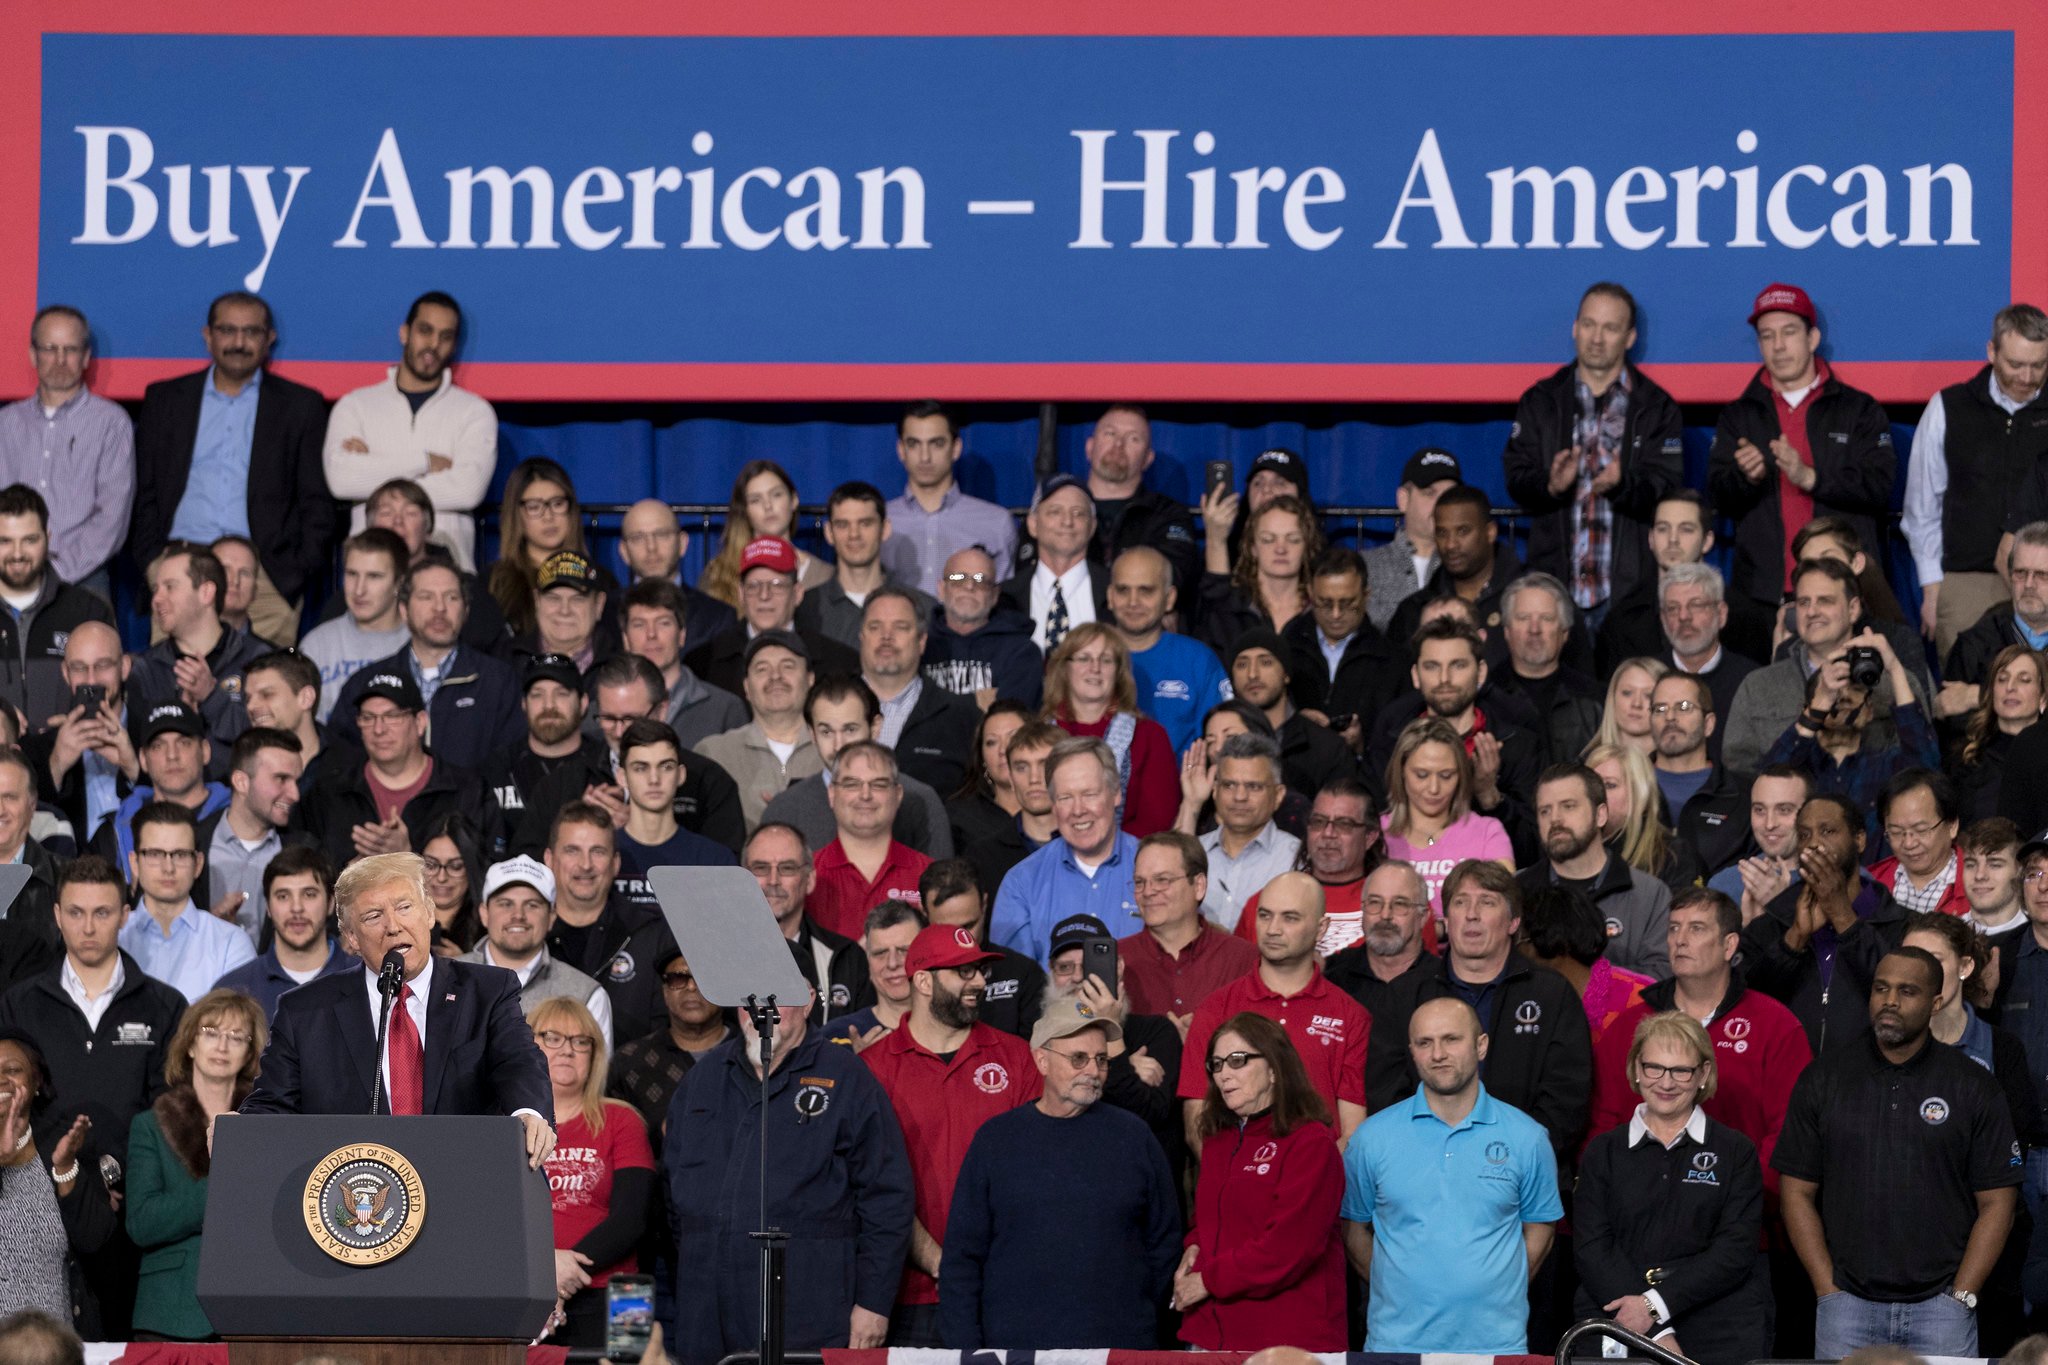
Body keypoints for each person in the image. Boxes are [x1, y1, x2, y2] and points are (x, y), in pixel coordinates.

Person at [1776, 947, 2020, 1358]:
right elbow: (1795, 1192)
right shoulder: (1824, 1078)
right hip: (1846, 1308)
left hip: (1942, 1310)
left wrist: (1962, 1296)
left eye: (1907, 991)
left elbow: (1999, 1203)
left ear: (1935, 1003)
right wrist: (1827, 1289)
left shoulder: (1973, 1084)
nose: (1890, 1001)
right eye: (1881, 988)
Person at [238, 853, 555, 1165]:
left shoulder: (487, 991)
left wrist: (528, 1112)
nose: (393, 926)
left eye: (404, 907)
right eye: (373, 916)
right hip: (356, 1189)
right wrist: (238, 1130)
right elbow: (272, 1106)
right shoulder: (305, 1011)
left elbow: (519, 1062)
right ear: (352, 937)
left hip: (462, 1174)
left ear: (429, 913)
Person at [665, 983, 910, 1359]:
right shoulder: (703, 1079)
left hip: (808, 1306)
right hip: (705, 1309)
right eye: (750, 998)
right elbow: (671, 1199)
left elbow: (886, 1198)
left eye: (777, 997)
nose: (762, 1010)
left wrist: (873, 1303)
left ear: (809, 1001)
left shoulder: (847, 1077)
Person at [938, 995, 1182, 1349]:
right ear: (1042, 1060)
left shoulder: (1134, 1137)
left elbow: (1165, 1242)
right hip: (1016, 1351)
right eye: (1078, 1058)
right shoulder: (996, 1140)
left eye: (1101, 1059)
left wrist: (1135, 1316)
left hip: (1118, 1347)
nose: (1093, 1071)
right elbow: (963, 1256)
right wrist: (967, 1349)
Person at [1341, 996, 1564, 1354]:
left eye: (1451, 1039)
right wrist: (1398, 1289)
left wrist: (1496, 1290)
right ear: (1412, 1052)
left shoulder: (1528, 1138)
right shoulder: (1371, 1138)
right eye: (1424, 1043)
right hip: (1396, 1346)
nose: (1438, 1054)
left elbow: (1541, 1229)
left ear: (1481, 1046)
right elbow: (1353, 1231)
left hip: (1496, 1347)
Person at [856, 923, 1040, 1343]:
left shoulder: (1017, 1058)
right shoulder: (874, 1068)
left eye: (979, 970)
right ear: (923, 981)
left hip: (1001, 1287)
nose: (979, 982)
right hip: (909, 1296)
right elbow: (872, 1188)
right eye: (963, 971)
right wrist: (939, 1261)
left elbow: (1035, 1173)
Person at [129, 291, 334, 646]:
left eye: (251, 332)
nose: (239, 342)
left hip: (265, 577)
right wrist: (153, 563)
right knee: (172, 677)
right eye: (227, 330)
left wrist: (295, 570)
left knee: (265, 679)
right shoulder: (166, 400)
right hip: (181, 565)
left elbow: (316, 502)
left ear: (269, 339)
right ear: (208, 335)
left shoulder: (300, 406)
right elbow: (143, 493)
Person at [1705, 283, 1897, 660]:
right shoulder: (1738, 415)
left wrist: (1811, 478)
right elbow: (1716, 495)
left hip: (1846, 594)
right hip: (1762, 597)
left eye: (1789, 332)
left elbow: (1881, 486)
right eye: (1767, 336)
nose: (1778, 346)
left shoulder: (1858, 409)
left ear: (1813, 338)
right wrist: (1747, 478)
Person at [1574, 1011, 1768, 1365]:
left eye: (1681, 1071)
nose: (1666, 1082)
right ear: (1636, 1068)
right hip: (1618, 1315)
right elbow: (1593, 1247)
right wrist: (1656, 1331)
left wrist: (1654, 1306)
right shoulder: (1603, 1152)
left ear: (1703, 1074)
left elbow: (1735, 1249)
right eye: (1654, 1067)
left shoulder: (1736, 1151)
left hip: (1719, 1326)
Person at [1589, 888, 1812, 1171]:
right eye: (1673, 928)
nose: (1680, 940)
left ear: (1729, 946)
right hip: (1636, 1190)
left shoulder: (1775, 1026)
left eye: (1696, 929)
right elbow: (1602, 1122)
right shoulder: (1629, 1026)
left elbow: (1788, 1131)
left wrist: (1746, 1189)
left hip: (1740, 1192)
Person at [1502, 281, 1683, 629]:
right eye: (1589, 324)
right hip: (1555, 594)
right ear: (1575, 328)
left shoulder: (1657, 407)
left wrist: (1622, 485)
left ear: (1629, 338)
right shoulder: (1541, 400)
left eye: (1610, 328)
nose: (1597, 338)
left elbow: (1668, 487)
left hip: (1627, 595)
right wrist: (1551, 485)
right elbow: (1515, 476)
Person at [0, 855, 184, 1173]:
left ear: (124, 915)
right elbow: (8, 1101)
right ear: (57, 915)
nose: (88, 928)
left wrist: (117, 1169)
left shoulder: (165, 1006)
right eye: (76, 912)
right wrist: (62, 1174)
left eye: (102, 913)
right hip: (39, 1184)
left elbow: (170, 1109)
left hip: (133, 1186)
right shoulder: (18, 1006)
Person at [1177, 1012, 1346, 1351]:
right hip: (1209, 1333)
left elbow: (1288, 1248)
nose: (1224, 1074)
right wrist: (1193, 1245)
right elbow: (1210, 1216)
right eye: (1217, 1064)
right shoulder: (1218, 1139)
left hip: (1286, 1340)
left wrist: (1208, 1281)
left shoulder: (1311, 1143)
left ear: (1274, 1069)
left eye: (1237, 1060)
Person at [1177, 872, 1368, 1149]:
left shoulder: (1350, 1015)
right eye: (1265, 915)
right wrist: (1237, 1174)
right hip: (1234, 1172)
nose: (1272, 929)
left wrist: (1315, 1175)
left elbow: (1352, 1131)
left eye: (1290, 918)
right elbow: (1198, 1119)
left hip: (1318, 1173)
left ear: (1321, 928)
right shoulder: (1216, 1008)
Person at [1421, 859, 1595, 1164]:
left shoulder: (1552, 994)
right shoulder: (1410, 993)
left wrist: (1507, 1160)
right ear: (1446, 920)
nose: (1472, 914)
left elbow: (1567, 1099)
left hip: (1523, 1169)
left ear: (1514, 922)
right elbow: (1390, 1094)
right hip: (1425, 1166)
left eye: (1487, 902)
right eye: (1461, 902)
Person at [1905, 304, 2048, 657]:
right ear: (1991, 352)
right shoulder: (1949, 407)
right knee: (1964, 685)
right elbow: (1922, 507)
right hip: (1967, 582)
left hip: (2044, 580)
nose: (2026, 377)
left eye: (2038, 365)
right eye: (2015, 364)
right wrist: (1933, 588)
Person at [125, 988, 265, 1342]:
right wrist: (221, 1187)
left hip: (250, 1305)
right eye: (211, 1033)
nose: (222, 1046)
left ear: (250, 1053)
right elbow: (142, 1222)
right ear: (189, 1044)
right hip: (169, 1312)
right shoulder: (150, 1125)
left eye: (237, 1036)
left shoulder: (265, 1126)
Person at [321, 291, 495, 571]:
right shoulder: (355, 405)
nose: (433, 345)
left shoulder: (474, 411)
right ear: (405, 333)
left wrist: (372, 472)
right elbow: (341, 481)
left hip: (448, 575)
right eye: (425, 331)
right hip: (371, 574)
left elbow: (468, 490)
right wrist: (424, 462)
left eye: (445, 336)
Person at [1727, 557, 1932, 777]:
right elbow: (1738, 771)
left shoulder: (1895, 682)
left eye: (1825, 601)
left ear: (1853, 609)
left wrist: (1893, 669)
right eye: (1803, 602)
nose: (1812, 611)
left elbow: (1924, 766)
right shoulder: (1758, 686)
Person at [529, 995, 653, 1351]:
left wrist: (561, 1271)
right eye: (552, 1037)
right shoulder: (507, 1125)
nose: (567, 1050)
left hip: (623, 1292)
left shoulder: (623, 1119)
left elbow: (631, 1219)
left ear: (595, 1054)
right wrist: (546, 1268)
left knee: (635, 1361)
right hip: (527, 1288)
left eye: (580, 1041)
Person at [1364, 616, 1543, 862]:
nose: (1444, 678)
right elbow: (1371, 835)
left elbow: (1533, 850)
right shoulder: (1389, 744)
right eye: (1432, 666)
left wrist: (1490, 796)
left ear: (1481, 672)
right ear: (1416, 675)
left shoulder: (1517, 745)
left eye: (1458, 665)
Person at [1742, 794, 1906, 1053]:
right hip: (1789, 1070)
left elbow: (1900, 996)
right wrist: (1794, 939)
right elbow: (1747, 1005)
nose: (1814, 844)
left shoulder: (1902, 924)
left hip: (1870, 1072)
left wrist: (1843, 917)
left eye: (1828, 831)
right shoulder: (1771, 924)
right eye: (1804, 835)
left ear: (1859, 840)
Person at [326, 555, 520, 772]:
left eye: (451, 597)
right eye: (426, 597)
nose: (440, 608)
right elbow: (340, 766)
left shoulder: (498, 682)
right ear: (404, 610)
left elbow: (511, 767)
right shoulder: (365, 684)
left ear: (465, 611)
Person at [298, 669, 495, 873]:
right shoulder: (328, 792)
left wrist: (407, 857)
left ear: (420, 722)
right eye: (368, 717)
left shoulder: (468, 791)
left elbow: (484, 876)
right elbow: (304, 875)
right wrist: (350, 876)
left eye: (392, 716)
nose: (379, 729)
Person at [0, 305, 133, 592]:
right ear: (33, 355)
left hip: (81, 578)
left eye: (70, 349)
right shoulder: (6, 423)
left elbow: (112, 517)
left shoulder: (111, 423)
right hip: (6, 575)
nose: (60, 360)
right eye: (50, 348)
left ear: (85, 357)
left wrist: (56, 573)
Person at [760, 675, 953, 859]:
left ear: (875, 727)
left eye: (850, 729)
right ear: (812, 734)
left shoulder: (920, 800)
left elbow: (941, 879)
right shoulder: (785, 809)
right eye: (826, 732)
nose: (838, 745)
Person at [989, 737, 1142, 966]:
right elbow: (1013, 978)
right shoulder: (1021, 883)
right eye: (1065, 798)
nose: (1078, 810)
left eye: (1089, 794)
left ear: (1116, 794)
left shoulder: (1156, 870)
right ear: (1053, 805)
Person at [0, 1029, 114, 1332]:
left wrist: (65, 1168)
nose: (1, 1080)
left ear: (36, 1080)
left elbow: (94, 1239)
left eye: (13, 1070)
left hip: (56, 1341)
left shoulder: (62, 1142)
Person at [541, 804, 681, 1046]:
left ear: (615, 863)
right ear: (549, 860)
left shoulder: (652, 935)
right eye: (572, 851)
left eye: (597, 851)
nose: (585, 865)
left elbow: (668, 1033)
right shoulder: (530, 936)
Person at [126, 544, 267, 761]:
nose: (156, 599)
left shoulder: (258, 660)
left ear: (206, 593)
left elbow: (267, 740)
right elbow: (142, 752)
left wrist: (212, 697)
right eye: (156, 589)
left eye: (170, 587)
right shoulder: (146, 670)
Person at [461, 857, 614, 1051]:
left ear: (551, 917)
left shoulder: (586, 995)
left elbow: (599, 1069)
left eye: (532, 905)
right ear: (484, 913)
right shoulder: (441, 978)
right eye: (505, 904)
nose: (518, 915)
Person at [1042, 623, 1177, 836]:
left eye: (1106, 660)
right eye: (1084, 658)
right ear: (1065, 668)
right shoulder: (1040, 734)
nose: (1095, 668)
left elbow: (1157, 820)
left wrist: (1102, 848)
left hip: (1129, 852)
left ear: (1118, 671)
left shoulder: (1149, 735)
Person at [686, 536, 858, 702]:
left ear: (797, 593)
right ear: (741, 594)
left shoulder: (838, 662)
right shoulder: (703, 664)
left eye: (776, 585)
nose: (764, 595)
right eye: (754, 586)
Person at [118, 802, 255, 1003]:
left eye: (180, 855)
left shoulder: (230, 943)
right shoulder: (115, 936)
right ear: (134, 863)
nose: (168, 867)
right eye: (155, 854)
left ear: (198, 864)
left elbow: (237, 1018)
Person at [0, 486, 114, 727]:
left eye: (29, 540)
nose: (17, 554)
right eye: (5, 541)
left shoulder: (87, 611)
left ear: (48, 538)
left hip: (74, 747)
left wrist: (75, 730)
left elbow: (110, 691)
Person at [880, 401, 1018, 595]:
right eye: (914, 444)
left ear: (956, 448)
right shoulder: (877, 522)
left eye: (937, 444)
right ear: (901, 450)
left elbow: (1003, 598)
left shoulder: (996, 523)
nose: (925, 457)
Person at [1380, 715, 1514, 914]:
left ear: (1461, 775)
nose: (1434, 788)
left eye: (1446, 776)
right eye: (1421, 775)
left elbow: (1503, 910)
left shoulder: (1487, 832)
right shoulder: (1376, 834)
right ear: (1401, 772)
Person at [1118, 830, 1258, 1019]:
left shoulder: (1243, 959)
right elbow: (1081, 1012)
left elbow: (1265, 1031)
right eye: (1139, 882)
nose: (1148, 891)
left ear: (1199, 886)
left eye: (1162, 880)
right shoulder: (1117, 958)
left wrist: (1203, 1034)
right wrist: (1101, 1020)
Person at [743, 822, 869, 1028]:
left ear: (809, 880)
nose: (773, 880)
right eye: (760, 868)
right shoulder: (715, 955)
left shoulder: (847, 958)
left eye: (787, 868)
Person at [212, 846, 356, 1022]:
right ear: (268, 907)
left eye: (309, 894)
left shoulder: (368, 981)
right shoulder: (232, 990)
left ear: (331, 903)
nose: (296, 908)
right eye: (283, 896)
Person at [855, 588, 977, 796]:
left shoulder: (960, 715)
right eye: (875, 627)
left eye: (900, 627)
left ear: (921, 642)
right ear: (861, 638)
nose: (886, 636)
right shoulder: (827, 707)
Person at [1109, 546, 1227, 756]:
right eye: (1123, 590)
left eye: (1146, 590)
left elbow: (1223, 742)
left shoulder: (1198, 661)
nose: (1133, 602)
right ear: (1110, 596)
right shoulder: (1085, 658)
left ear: (1169, 597)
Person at [807, 741, 931, 939]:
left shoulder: (928, 875)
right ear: (831, 794)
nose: (865, 795)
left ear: (898, 795)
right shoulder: (806, 876)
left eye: (878, 785)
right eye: (852, 784)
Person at [485, 457, 617, 638]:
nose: (548, 516)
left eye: (557, 504)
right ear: (516, 514)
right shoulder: (494, 582)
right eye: (534, 507)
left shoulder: (599, 579)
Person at [612, 720, 737, 911]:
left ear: (681, 775)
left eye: (666, 767)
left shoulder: (714, 860)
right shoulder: (602, 855)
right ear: (622, 777)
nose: (654, 779)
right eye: (640, 768)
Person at [198, 728, 307, 945]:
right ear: (241, 782)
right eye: (281, 779)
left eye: (296, 781)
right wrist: (206, 929)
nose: (295, 794)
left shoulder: (306, 853)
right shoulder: (192, 845)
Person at [1283, 547, 1398, 753]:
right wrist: (1294, 725)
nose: (1336, 614)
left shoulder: (1391, 660)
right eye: (1325, 603)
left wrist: (1362, 748)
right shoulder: (1286, 649)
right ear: (1310, 594)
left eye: (1347, 603)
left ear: (1366, 596)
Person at [1077, 404, 1198, 599]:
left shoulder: (1168, 515)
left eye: (1133, 438)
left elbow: (1172, 582)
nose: (1118, 445)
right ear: (1089, 447)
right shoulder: (1059, 512)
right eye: (1110, 434)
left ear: (1148, 459)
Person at [797, 482, 935, 651]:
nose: (854, 534)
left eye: (865, 523)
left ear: (885, 529)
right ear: (829, 533)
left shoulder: (923, 608)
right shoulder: (805, 609)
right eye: (843, 525)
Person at [90, 701, 226, 872]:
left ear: (205, 751)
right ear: (143, 759)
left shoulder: (235, 821)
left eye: (184, 743)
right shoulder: (113, 834)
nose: (172, 755)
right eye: (158, 746)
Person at [606, 946, 727, 1136]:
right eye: (678, 978)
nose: (691, 987)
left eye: (704, 978)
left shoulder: (750, 1053)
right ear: (664, 991)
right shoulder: (629, 1061)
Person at [1595, 489, 1719, 672]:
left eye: (1686, 529)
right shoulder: (1621, 620)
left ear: (1707, 541)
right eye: (1663, 529)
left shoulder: (1738, 618)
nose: (1673, 539)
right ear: (1651, 539)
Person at [1186, 733, 1298, 932]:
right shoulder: (1194, 851)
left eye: (1253, 787)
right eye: (1229, 785)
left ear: (1278, 795)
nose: (1240, 797)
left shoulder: (1295, 858)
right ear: (1215, 791)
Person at [1516, 883, 1655, 1044]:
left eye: (1518, 940)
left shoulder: (1642, 1000)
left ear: (1553, 940)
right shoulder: (1520, 1001)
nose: (1512, 951)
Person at [620, 578, 747, 750]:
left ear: (682, 635)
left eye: (663, 623)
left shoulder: (725, 709)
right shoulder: (603, 713)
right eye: (639, 625)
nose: (651, 634)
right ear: (625, 639)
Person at [300, 529, 411, 722]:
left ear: (399, 583)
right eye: (352, 574)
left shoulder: (416, 644)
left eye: (374, 576)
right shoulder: (316, 644)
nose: (359, 590)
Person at [1496, 573, 1605, 768]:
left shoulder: (1596, 701)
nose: (1534, 629)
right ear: (1506, 630)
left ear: (1565, 632)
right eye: (1523, 618)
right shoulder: (1487, 699)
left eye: (1546, 618)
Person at [1650, 671, 1749, 878]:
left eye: (1684, 707)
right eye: (1660, 709)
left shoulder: (1743, 796)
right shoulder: (1626, 789)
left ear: (1709, 724)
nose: (1670, 717)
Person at [920, 546, 1043, 711]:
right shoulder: (919, 645)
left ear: (995, 595)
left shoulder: (1022, 652)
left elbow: (1008, 720)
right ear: (941, 589)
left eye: (981, 580)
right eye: (959, 578)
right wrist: (976, 701)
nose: (969, 586)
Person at [698, 459, 833, 608]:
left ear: (794, 500)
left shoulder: (824, 575)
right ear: (745, 511)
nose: (768, 506)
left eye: (776, 495)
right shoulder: (718, 573)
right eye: (755, 500)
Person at [1198, 494, 1319, 652]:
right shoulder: (1232, 606)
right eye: (1268, 539)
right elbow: (1216, 588)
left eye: (1293, 539)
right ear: (1253, 548)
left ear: (1307, 547)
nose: (1280, 549)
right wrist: (1215, 537)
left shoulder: (1320, 610)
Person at [1002, 473, 1107, 654]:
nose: (1067, 522)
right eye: (1055, 512)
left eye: (1078, 513)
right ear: (1033, 524)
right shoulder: (1004, 597)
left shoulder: (1114, 593)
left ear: (1092, 526)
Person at [1947, 525, 2048, 712]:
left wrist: (1983, 696)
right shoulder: (1974, 646)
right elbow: (1951, 713)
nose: (2028, 584)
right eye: (2020, 573)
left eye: (2041, 575)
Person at [1659, 560, 1760, 746]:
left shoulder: (1752, 682)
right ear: (1663, 619)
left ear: (1721, 614)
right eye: (1673, 608)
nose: (1684, 616)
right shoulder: (1650, 678)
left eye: (1696, 605)